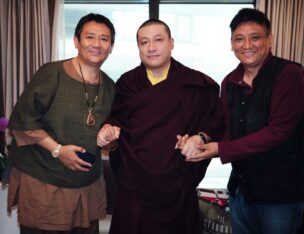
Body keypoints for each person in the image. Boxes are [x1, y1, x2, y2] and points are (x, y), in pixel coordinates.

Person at [177, 8, 304, 234]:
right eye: (239, 39)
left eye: (255, 37)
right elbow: (224, 127)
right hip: (242, 191)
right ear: (231, 43)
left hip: (280, 196)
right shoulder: (230, 81)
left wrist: (219, 149)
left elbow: (277, 132)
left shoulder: (289, 74)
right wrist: (198, 139)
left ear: (269, 40)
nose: (247, 45)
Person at [96, 19, 224, 234]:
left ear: (171, 42)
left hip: (178, 186)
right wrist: (107, 129)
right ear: (138, 47)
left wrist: (199, 138)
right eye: (144, 42)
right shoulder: (127, 84)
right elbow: (115, 121)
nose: (151, 47)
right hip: (134, 186)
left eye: (158, 40)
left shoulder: (196, 84)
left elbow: (216, 122)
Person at [6, 13, 116, 234]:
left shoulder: (111, 87)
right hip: (44, 183)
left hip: (87, 186)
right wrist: (58, 150)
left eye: (104, 39)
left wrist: (109, 139)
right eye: (90, 37)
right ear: (76, 41)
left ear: (111, 47)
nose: (97, 44)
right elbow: (23, 121)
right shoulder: (52, 73)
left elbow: (109, 137)